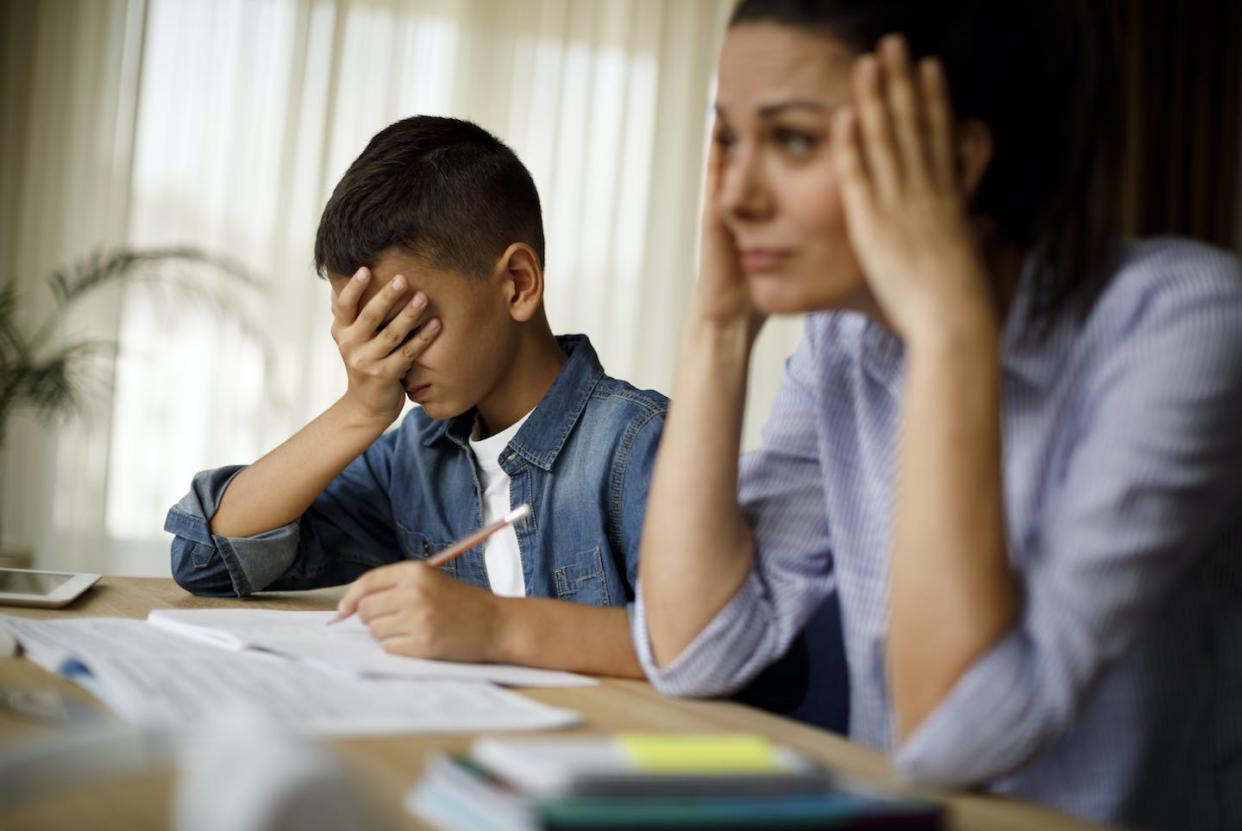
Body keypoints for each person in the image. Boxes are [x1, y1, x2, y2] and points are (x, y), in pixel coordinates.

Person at [633, 1, 1242, 828]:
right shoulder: (844, 342)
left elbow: (954, 734)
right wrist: (718, 324)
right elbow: (695, 648)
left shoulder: (1180, 322)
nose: (735, 195)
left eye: (795, 140)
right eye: (729, 138)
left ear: (954, 162)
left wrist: (950, 325)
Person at [166, 115, 666, 678]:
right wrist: (358, 412)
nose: (385, 360)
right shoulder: (416, 456)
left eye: (402, 327)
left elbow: (710, 648)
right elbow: (207, 559)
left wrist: (493, 627)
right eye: (367, 333)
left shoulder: (642, 446)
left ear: (518, 284)